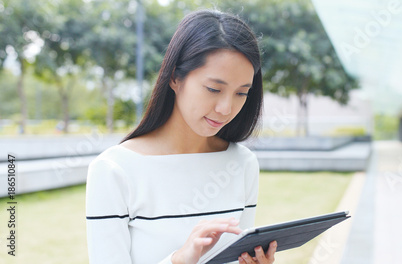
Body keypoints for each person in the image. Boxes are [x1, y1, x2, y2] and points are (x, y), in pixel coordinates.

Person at [85, 9, 277, 264]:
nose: (226, 108)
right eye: (213, 89)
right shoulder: (113, 170)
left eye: (241, 93)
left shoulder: (243, 164)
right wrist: (179, 260)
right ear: (175, 77)